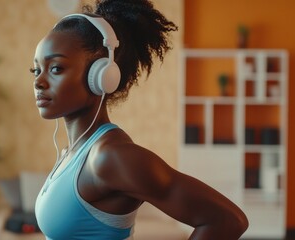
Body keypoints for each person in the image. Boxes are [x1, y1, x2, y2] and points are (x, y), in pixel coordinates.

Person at [31, 0, 249, 239]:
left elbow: (226, 220)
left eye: (56, 68)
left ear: (101, 75)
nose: (38, 82)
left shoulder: (110, 157)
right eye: (36, 69)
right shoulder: (71, 152)